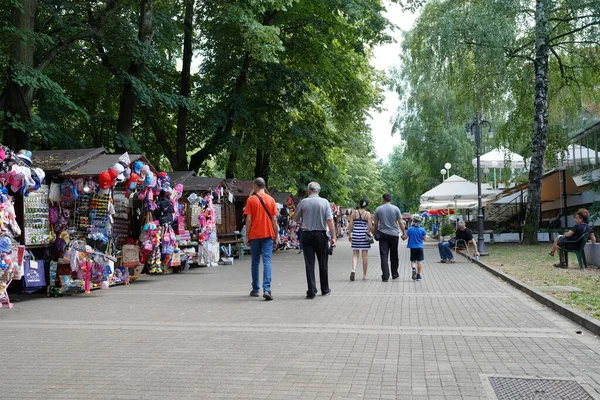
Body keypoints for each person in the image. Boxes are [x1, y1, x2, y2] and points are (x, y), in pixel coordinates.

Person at [294, 182, 336, 299]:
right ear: (319, 191)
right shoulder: (325, 202)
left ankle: (311, 291)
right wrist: (333, 236)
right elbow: (329, 220)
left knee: (309, 263)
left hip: (307, 235)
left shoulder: (303, 202)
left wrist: (305, 220)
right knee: (323, 262)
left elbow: (295, 218)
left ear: (309, 190)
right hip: (321, 235)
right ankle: (325, 289)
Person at [244, 178, 278, 301]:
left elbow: (248, 220)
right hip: (268, 234)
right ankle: (267, 289)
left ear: (255, 186)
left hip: (254, 234)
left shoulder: (251, 199)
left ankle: (255, 289)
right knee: (267, 260)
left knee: (255, 262)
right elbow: (274, 220)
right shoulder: (271, 200)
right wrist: (275, 234)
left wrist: (247, 235)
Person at [373, 193, 407, 281]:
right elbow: (400, 222)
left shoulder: (378, 209)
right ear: (390, 199)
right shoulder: (396, 209)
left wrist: (375, 233)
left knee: (384, 255)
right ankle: (394, 274)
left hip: (383, 234)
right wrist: (404, 233)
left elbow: (376, 224)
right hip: (394, 235)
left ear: (383, 199)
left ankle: (385, 275)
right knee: (394, 255)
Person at [348, 198, 373, 281]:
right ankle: (365, 275)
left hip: (355, 234)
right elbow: (370, 226)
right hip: (364, 236)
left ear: (359, 204)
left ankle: (353, 270)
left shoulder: (354, 213)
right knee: (364, 256)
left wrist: (349, 234)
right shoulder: (368, 214)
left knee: (355, 254)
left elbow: (351, 225)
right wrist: (369, 232)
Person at [406, 214, 428, 281]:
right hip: (420, 247)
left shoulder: (410, 229)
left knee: (413, 261)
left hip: (412, 248)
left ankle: (413, 268)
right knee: (419, 261)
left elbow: (405, 237)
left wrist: (402, 236)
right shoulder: (422, 230)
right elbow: (425, 239)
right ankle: (418, 275)